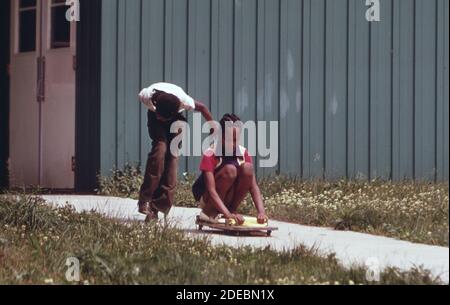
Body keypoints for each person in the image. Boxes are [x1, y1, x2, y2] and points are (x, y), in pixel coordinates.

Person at [138, 82, 213, 221]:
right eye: (160, 116)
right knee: (160, 150)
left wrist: (213, 127)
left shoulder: (184, 101)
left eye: (163, 118)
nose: (162, 119)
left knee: (172, 158)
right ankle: (146, 199)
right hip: (155, 115)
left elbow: (203, 108)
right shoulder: (146, 96)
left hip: (176, 119)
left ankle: (158, 206)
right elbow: (154, 112)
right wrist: (157, 116)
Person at [192, 114, 267, 225]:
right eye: (228, 139)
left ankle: (231, 210)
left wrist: (261, 212)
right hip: (209, 198)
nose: (232, 144)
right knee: (230, 170)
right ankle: (209, 212)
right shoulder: (210, 153)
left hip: (229, 196)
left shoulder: (242, 153)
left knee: (248, 168)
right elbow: (211, 190)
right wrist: (227, 215)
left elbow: (253, 186)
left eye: (235, 140)